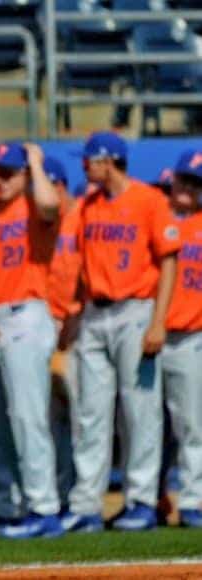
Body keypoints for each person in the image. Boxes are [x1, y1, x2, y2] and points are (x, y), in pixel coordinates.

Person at [62, 132, 181, 533]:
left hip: (135, 310)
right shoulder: (89, 205)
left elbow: (168, 262)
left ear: (107, 160)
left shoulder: (149, 200)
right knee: (91, 414)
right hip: (96, 312)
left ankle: (142, 500)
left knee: (139, 412)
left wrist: (159, 320)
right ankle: (85, 503)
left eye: (90, 160)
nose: (84, 166)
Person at [0, 142, 66, 539]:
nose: (3, 177)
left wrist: (36, 164)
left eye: (11, 171)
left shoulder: (33, 206)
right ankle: (6, 504)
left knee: (27, 415)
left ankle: (44, 508)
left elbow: (51, 205)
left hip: (27, 312)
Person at [161, 149, 202, 529]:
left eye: (197, 182)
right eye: (184, 179)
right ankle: (147, 500)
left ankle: (193, 500)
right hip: (148, 337)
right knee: (139, 428)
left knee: (190, 425)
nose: (189, 187)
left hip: (190, 337)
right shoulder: (160, 220)